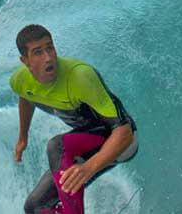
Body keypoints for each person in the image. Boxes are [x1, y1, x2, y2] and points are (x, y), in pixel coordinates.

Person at [10, 24, 138, 214]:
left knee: (57, 146)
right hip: (85, 146)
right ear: (25, 60)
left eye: (50, 48)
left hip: (121, 143)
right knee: (36, 206)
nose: (48, 57)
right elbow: (26, 98)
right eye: (38, 52)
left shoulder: (79, 76)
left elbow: (124, 132)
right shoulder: (20, 81)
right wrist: (23, 137)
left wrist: (88, 168)